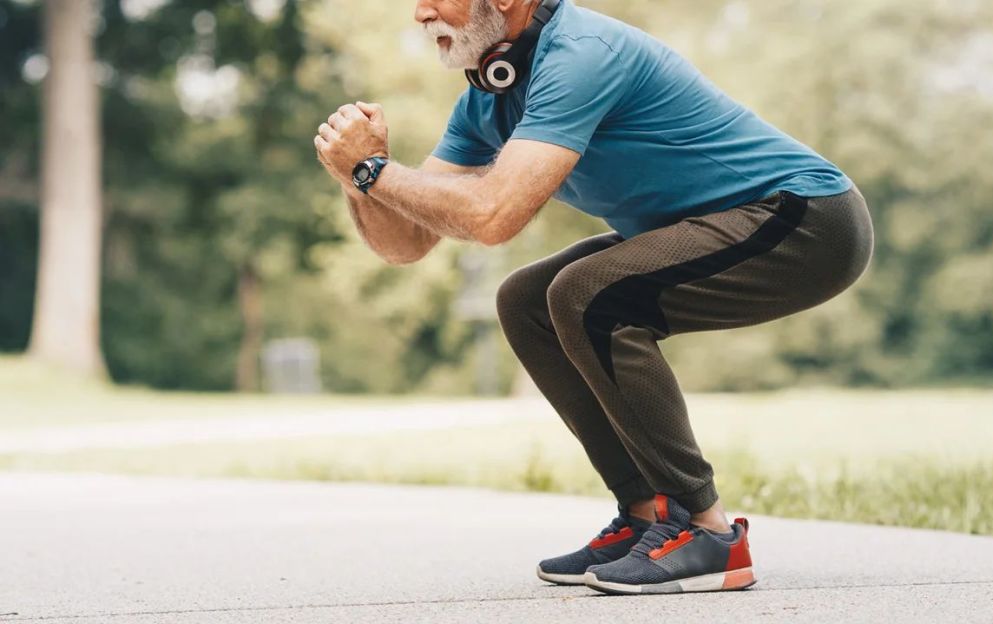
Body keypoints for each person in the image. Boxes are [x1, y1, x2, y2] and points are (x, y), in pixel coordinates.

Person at [312, 0, 874, 595]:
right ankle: (648, 516)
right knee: (526, 302)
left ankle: (707, 532)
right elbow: (405, 243)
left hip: (805, 220)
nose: (420, 14)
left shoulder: (581, 54)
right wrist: (357, 176)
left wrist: (374, 171)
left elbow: (492, 216)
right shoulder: (487, 97)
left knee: (587, 296)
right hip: (722, 223)